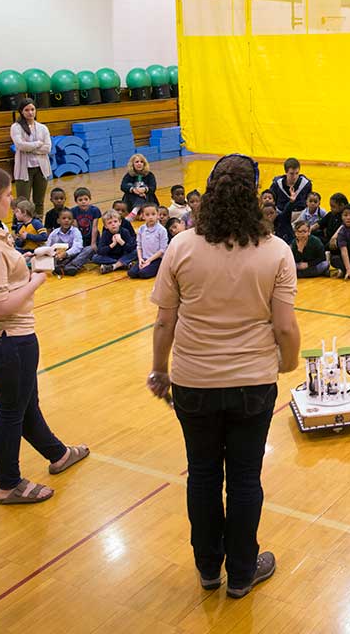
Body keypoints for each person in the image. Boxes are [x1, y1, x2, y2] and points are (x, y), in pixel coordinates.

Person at [146, 153, 300, 599]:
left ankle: (209, 569)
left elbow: (164, 322)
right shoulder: (276, 251)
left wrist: (160, 370)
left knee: (203, 475)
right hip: (252, 382)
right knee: (246, 479)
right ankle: (243, 573)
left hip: (194, 380)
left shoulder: (182, 246)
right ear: (255, 195)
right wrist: (286, 363)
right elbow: (285, 327)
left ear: (209, 192)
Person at [0, 164, 88, 504]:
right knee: (13, 410)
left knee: (25, 403)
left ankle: (57, 454)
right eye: (9, 195)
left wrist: (24, 261)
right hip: (6, 337)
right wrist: (37, 278)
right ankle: (9, 484)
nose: (12, 201)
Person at [9, 103, 52, 216]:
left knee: (39, 201)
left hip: (41, 169)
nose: (30, 112)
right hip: (24, 169)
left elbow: (47, 148)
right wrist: (38, 144)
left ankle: (38, 227)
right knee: (22, 202)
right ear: (21, 112)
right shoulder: (16, 127)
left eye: (32, 109)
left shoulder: (43, 128)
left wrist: (29, 148)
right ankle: (19, 227)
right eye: (27, 110)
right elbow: (20, 146)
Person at [268, 157, 312, 244]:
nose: (294, 176)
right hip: (282, 215)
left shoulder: (306, 184)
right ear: (286, 172)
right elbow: (272, 200)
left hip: (299, 215)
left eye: (297, 173)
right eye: (291, 174)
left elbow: (308, 201)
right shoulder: (277, 184)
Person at [46, 209, 92, 276]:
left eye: (69, 219)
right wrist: (55, 254)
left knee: (90, 249)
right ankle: (64, 267)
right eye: (64, 218)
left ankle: (71, 266)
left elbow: (78, 247)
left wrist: (66, 253)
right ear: (58, 221)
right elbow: (48, 247)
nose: (66, 220)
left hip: (72, 256)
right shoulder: (54, 233)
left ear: (72, 221)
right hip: (59, 258)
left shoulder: (76, 231)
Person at [129, 203, 168, 279]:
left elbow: (162, 249)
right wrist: (140, 259)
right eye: (147, 215)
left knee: (143, 274)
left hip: (157, 259)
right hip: (144, 258)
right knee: (132, 273)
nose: (150, 217)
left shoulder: (162, 230)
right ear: (143, 216)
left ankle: (159, 268)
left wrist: (149, 260)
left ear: (158, 215)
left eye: (153, 214)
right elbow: (139, 246)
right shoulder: (141, 229)